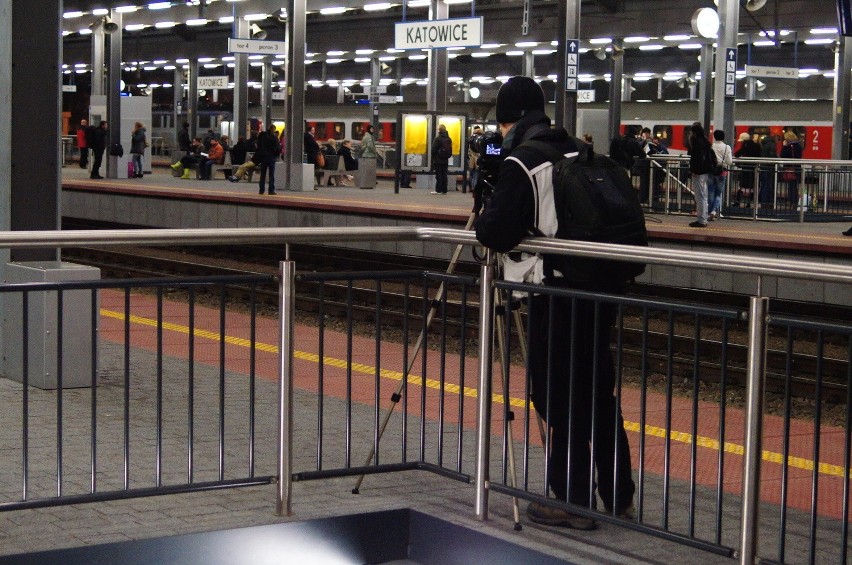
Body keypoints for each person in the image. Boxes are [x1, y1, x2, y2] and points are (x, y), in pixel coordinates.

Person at [475, 75, 635, 531]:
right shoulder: (574, 148)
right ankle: (618, 495)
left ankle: (572, 500)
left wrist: (488, 189)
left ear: (507, 121)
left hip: (557, 293)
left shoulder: (523, 161)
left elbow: (493, 232)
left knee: (557, 395)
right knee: (598, 394)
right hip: (598, 289)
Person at [687, 123, 713, 227]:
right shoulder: (705, 141)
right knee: (704, 196)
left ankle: (701, 220)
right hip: (704, 172)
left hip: (699, 172)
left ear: (694, 132)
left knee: (700, 197)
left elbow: (697, 158)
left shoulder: (698, 143)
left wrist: (695, 170)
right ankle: (703, 218)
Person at [708, 130, 732, 220]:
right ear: (723, 137)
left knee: (710, 193)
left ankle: (710, 212)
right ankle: (714, 211)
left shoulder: (711, 146)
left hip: (711, 172)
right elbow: (729, 162)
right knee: (718, 194)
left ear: (714, 137)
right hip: (722, 172)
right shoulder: (727, 147)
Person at [734, 132, 761, 205]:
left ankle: (737, 202)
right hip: (754, 168)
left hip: (746, 168)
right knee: (752, 186)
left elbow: (737, 154)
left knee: (743, 185)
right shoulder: (757, 145)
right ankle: (749, 203)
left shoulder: (745, 144)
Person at [779, 129, 803, 209]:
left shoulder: (788, 146)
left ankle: (792, 201)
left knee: (791, 186)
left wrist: (784, 146)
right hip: (797, 168)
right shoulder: (798, 146)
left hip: (789, 168)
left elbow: (782, 155)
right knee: (794, 186)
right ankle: (794, 202)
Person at [255, 124, 281, 195]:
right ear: (273, 129)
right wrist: (276, 155)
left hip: (263, 157)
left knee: (262, 174)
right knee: (271, 175)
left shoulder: (262, 136)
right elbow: (278, 148)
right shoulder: (274, 137)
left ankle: (261, 190)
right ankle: (271, 190)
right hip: (271, 157)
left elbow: (258, 146)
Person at [431, 123, 452, 194]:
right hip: (445, 159)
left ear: (439, 130)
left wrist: (433, 157)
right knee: (444, 175)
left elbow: (433, 149)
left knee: (438, 175)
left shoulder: (438, 138)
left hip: (438, 159)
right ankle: (444, 190)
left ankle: (438, 190)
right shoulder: (448, 138)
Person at [758, 135, 777, 205]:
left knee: (764, 184)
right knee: (768, 184)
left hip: (763, 166)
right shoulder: (771, 145)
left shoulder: (764, 145)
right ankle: (767, 201)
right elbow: (772, 156)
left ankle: (762, 200)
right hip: (769, 167)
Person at [467, 125, 483, 192]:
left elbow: (468, 150)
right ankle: (474, 188)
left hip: (471, 160)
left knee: (471, 174)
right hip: (477, 160)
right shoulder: (479, 141)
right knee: (476, 175)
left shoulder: (470, 139)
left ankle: (471, 187)